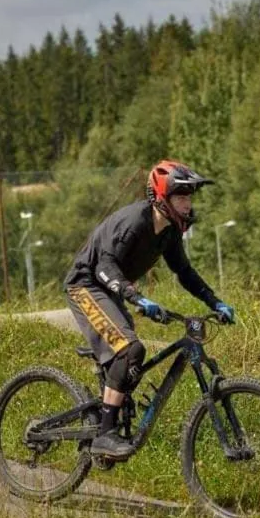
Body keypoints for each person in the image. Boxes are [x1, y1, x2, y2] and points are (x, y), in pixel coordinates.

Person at [63, 160, 236, 459]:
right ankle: (105, 435)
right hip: (86, 285)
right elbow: (104, 266)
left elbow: (184, 272)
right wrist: (138, 298)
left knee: (129, 363)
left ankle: (110, 416)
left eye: (190, 197)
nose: (188, 204)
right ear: (162, 197)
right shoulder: (135, 222)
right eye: (181, 197)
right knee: (130, 350)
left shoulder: (168, 233)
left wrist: (214, 301)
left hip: (112, 290)